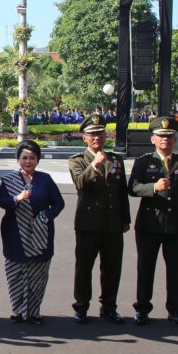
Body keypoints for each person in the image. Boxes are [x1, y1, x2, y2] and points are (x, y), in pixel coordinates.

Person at [127, 117, 178, 327]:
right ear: (153, 139)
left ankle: (176, 311)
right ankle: (142, 309)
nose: (165, 140)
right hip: (149, 224)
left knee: (176, 271)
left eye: (169, 136)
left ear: (175, 139)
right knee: (146, 269)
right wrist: (153, 188)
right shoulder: (143, 162)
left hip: (177, 225)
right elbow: (132, 188)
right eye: (161, 136)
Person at [67, 114, 130, 324]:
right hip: (88, 224)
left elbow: (122, 192)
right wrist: (94, 165)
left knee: (112, 268)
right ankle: (81, 306)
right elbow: (79, 183)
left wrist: (125, 219)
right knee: (84, 268)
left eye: (100, 133)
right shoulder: (77, 160)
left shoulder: (116, 159)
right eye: (92, 134)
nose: (97, 138)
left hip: (113, 223)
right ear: (84, 137)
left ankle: (109, 307)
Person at [0, 140, 64, 325]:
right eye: (24, 157)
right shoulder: (9, 180)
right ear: (18, 160)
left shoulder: (45, 179)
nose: (28, 161)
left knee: (38, 274)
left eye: (32, 158)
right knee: (15, 272)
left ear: (38, 160)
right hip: (14, 233)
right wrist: (16, 198)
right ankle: (18, 310)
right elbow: (1, 201)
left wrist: (44, 217)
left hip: (40, 233)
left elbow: (59, 203)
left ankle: (34, 312)